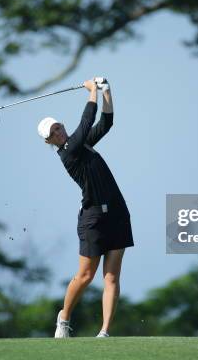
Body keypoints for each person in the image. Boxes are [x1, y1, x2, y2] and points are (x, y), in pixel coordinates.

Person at [37, 77, 134, 338]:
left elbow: (106, 123)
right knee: (86, 275)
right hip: (92, 218)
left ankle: (104, 332)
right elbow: (86, 122)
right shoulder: (68, 152)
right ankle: (64, 318)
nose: (58, 132)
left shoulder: (82, 144)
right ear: (49, 142)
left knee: (111, 278)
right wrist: (91, 92)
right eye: (53, 133)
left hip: (116, 213)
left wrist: (106, 92)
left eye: (58, 127)